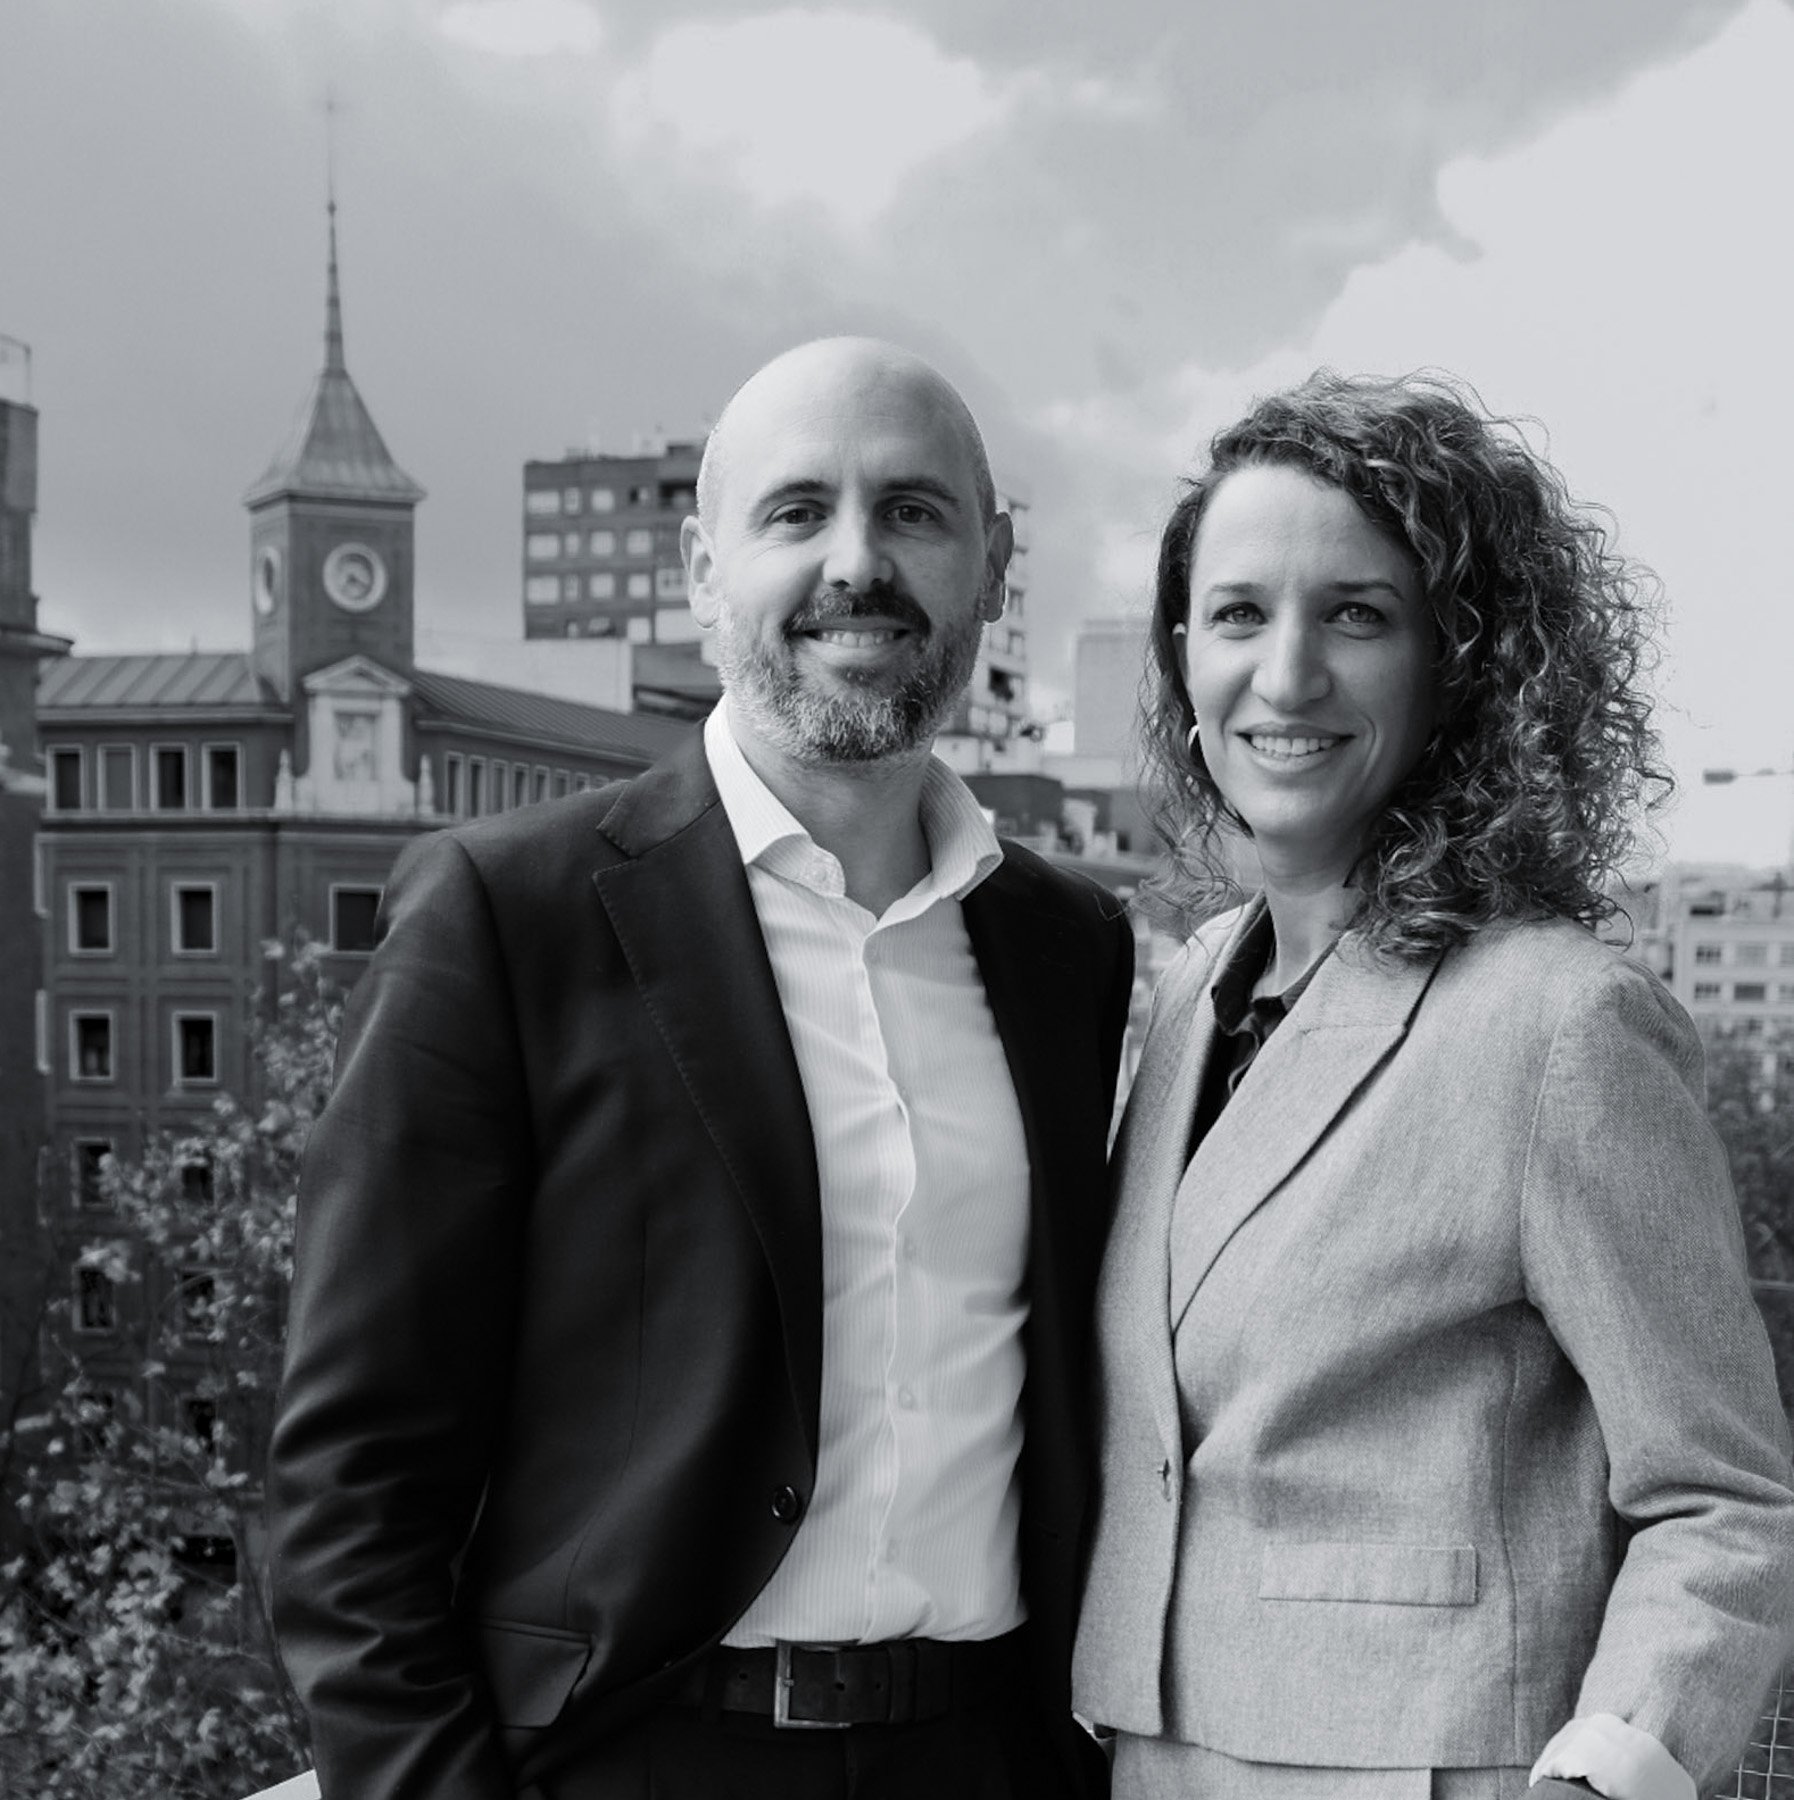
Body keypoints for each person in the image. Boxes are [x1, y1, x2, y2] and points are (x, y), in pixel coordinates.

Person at [268, 337, 1135, 1800]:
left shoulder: (1068, 948)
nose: (855, 564)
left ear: (987, 565)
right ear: (699, 569)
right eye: (797, 513)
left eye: (913, 512)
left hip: (987, 1759)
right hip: (631, 1761)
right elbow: (353, 1481)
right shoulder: (508, 913)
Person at [1072, 371, 1794, 1800]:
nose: (1283, 677)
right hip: (1147, 1761)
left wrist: (1605, 1777)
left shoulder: (1558, 1024)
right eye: (1236, 614)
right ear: (1179, 657)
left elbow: (1722, 1497)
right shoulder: (1191, 986)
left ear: (1459, 663)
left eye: (1355, 613)